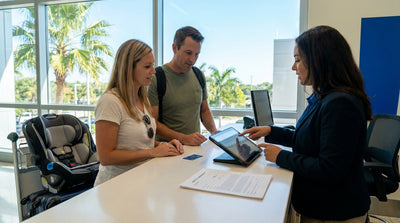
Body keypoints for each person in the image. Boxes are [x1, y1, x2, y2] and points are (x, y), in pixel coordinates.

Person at [240, 26, 371, 222]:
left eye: (298, 60)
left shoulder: (340, 103)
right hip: (323, 207)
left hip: (335, 212)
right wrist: (270, 131)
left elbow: (330, 169)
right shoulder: (323, 97)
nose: (294, 67)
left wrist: (281, 156)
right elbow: (308, 139)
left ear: (319, 59)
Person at [94, 39, 184, 186]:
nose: (153, 71)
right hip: (114, 187)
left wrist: (163, 146)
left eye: (153, 65)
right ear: (129, 68)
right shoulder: (110, 101)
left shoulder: (142, 100)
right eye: (147, 66)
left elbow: (137, 143)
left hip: (140, 182)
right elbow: (105, 157)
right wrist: (152, 153)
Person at [147, 26, 218, 146]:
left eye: (197, 54)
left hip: (194, 151)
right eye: (188, 53)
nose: (192, 59)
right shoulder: (157, 77)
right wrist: (183, 138)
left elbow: (204, 110)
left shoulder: (198, 74)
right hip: (168, 151)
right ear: (175, 48)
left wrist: (214, 131)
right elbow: (152, 123)